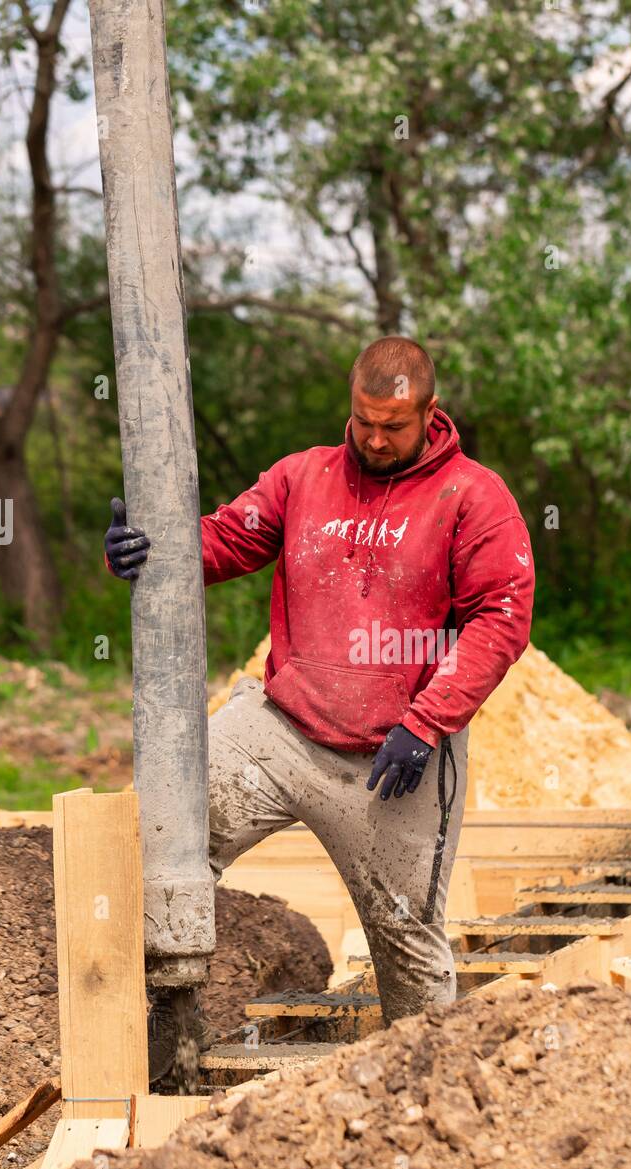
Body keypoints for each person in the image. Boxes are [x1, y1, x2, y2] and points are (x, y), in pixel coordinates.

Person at [105, 336, 534, 1080]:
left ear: (430, 414)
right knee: (167, 833)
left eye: (392, 426)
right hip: (282, 732)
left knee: (409, 950)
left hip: (396, 759)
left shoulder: (473, 496)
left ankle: (428, 1098)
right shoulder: (304, 476)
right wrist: (153, 548)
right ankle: (169, 1029)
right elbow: (225, 541)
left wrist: (428, 722)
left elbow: (502, 618)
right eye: (363, 420)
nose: (373, 438)